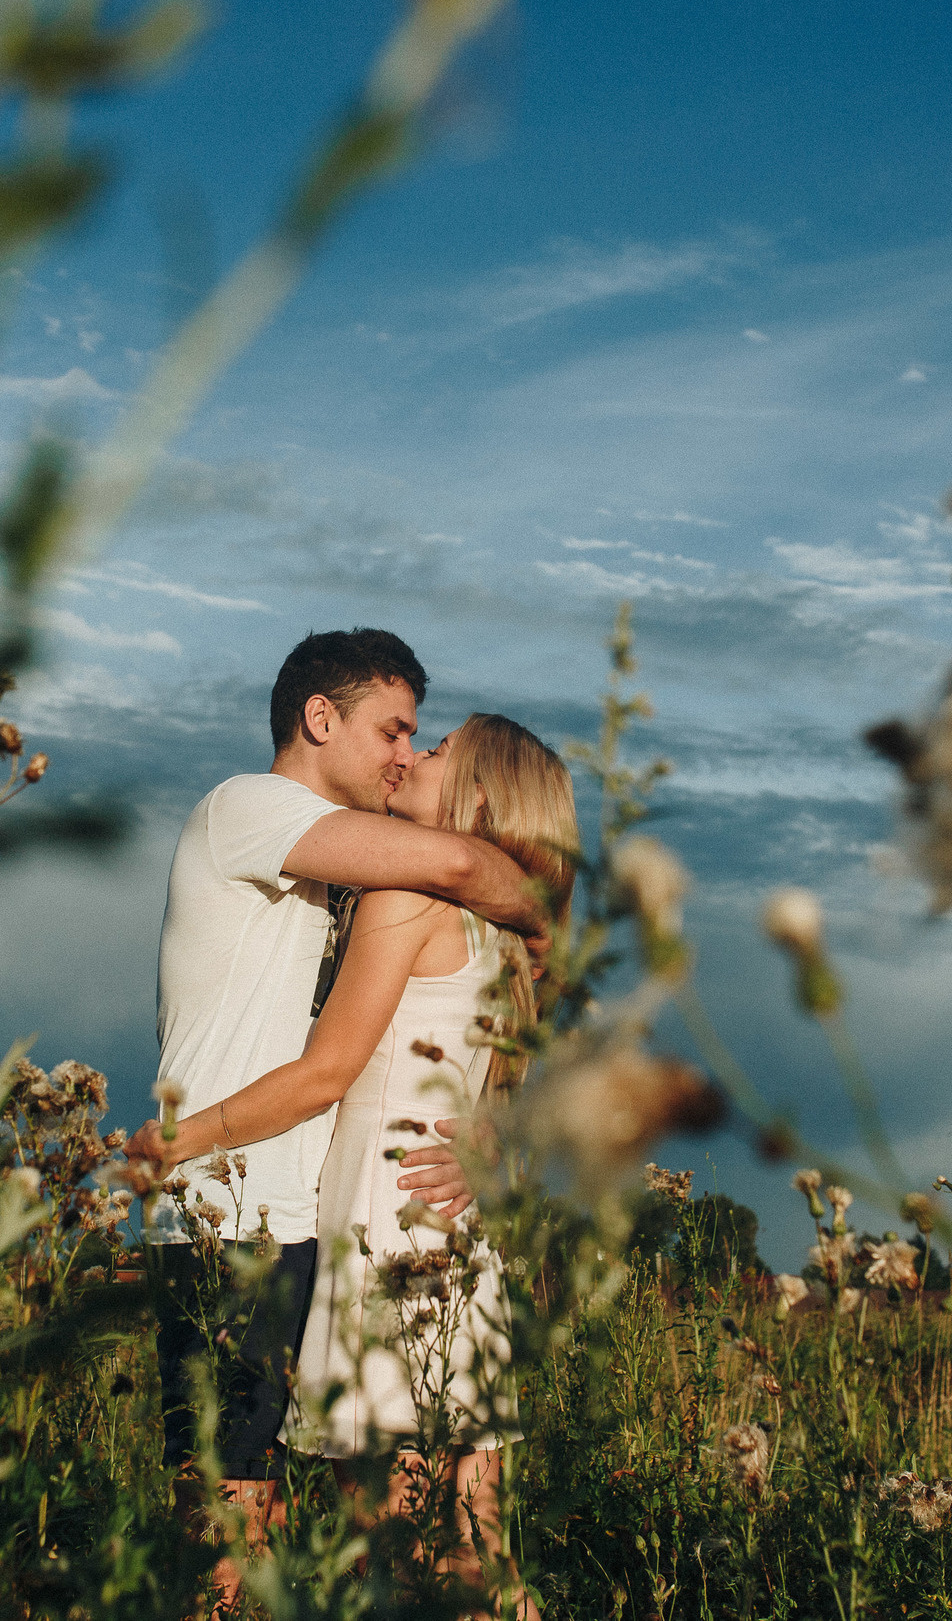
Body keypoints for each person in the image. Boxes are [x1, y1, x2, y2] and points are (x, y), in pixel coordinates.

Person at [132, 631, 549, 1609]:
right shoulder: (247, 809)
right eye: (393, 731)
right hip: (228, 1218)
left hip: (316, 1221)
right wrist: (543, 909)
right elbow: (466, 862)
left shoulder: (376, 881)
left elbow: (449, 990)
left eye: (421, 741)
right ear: (319, 718)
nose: (404, 754)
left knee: (355, 1541)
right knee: (236, 1528)